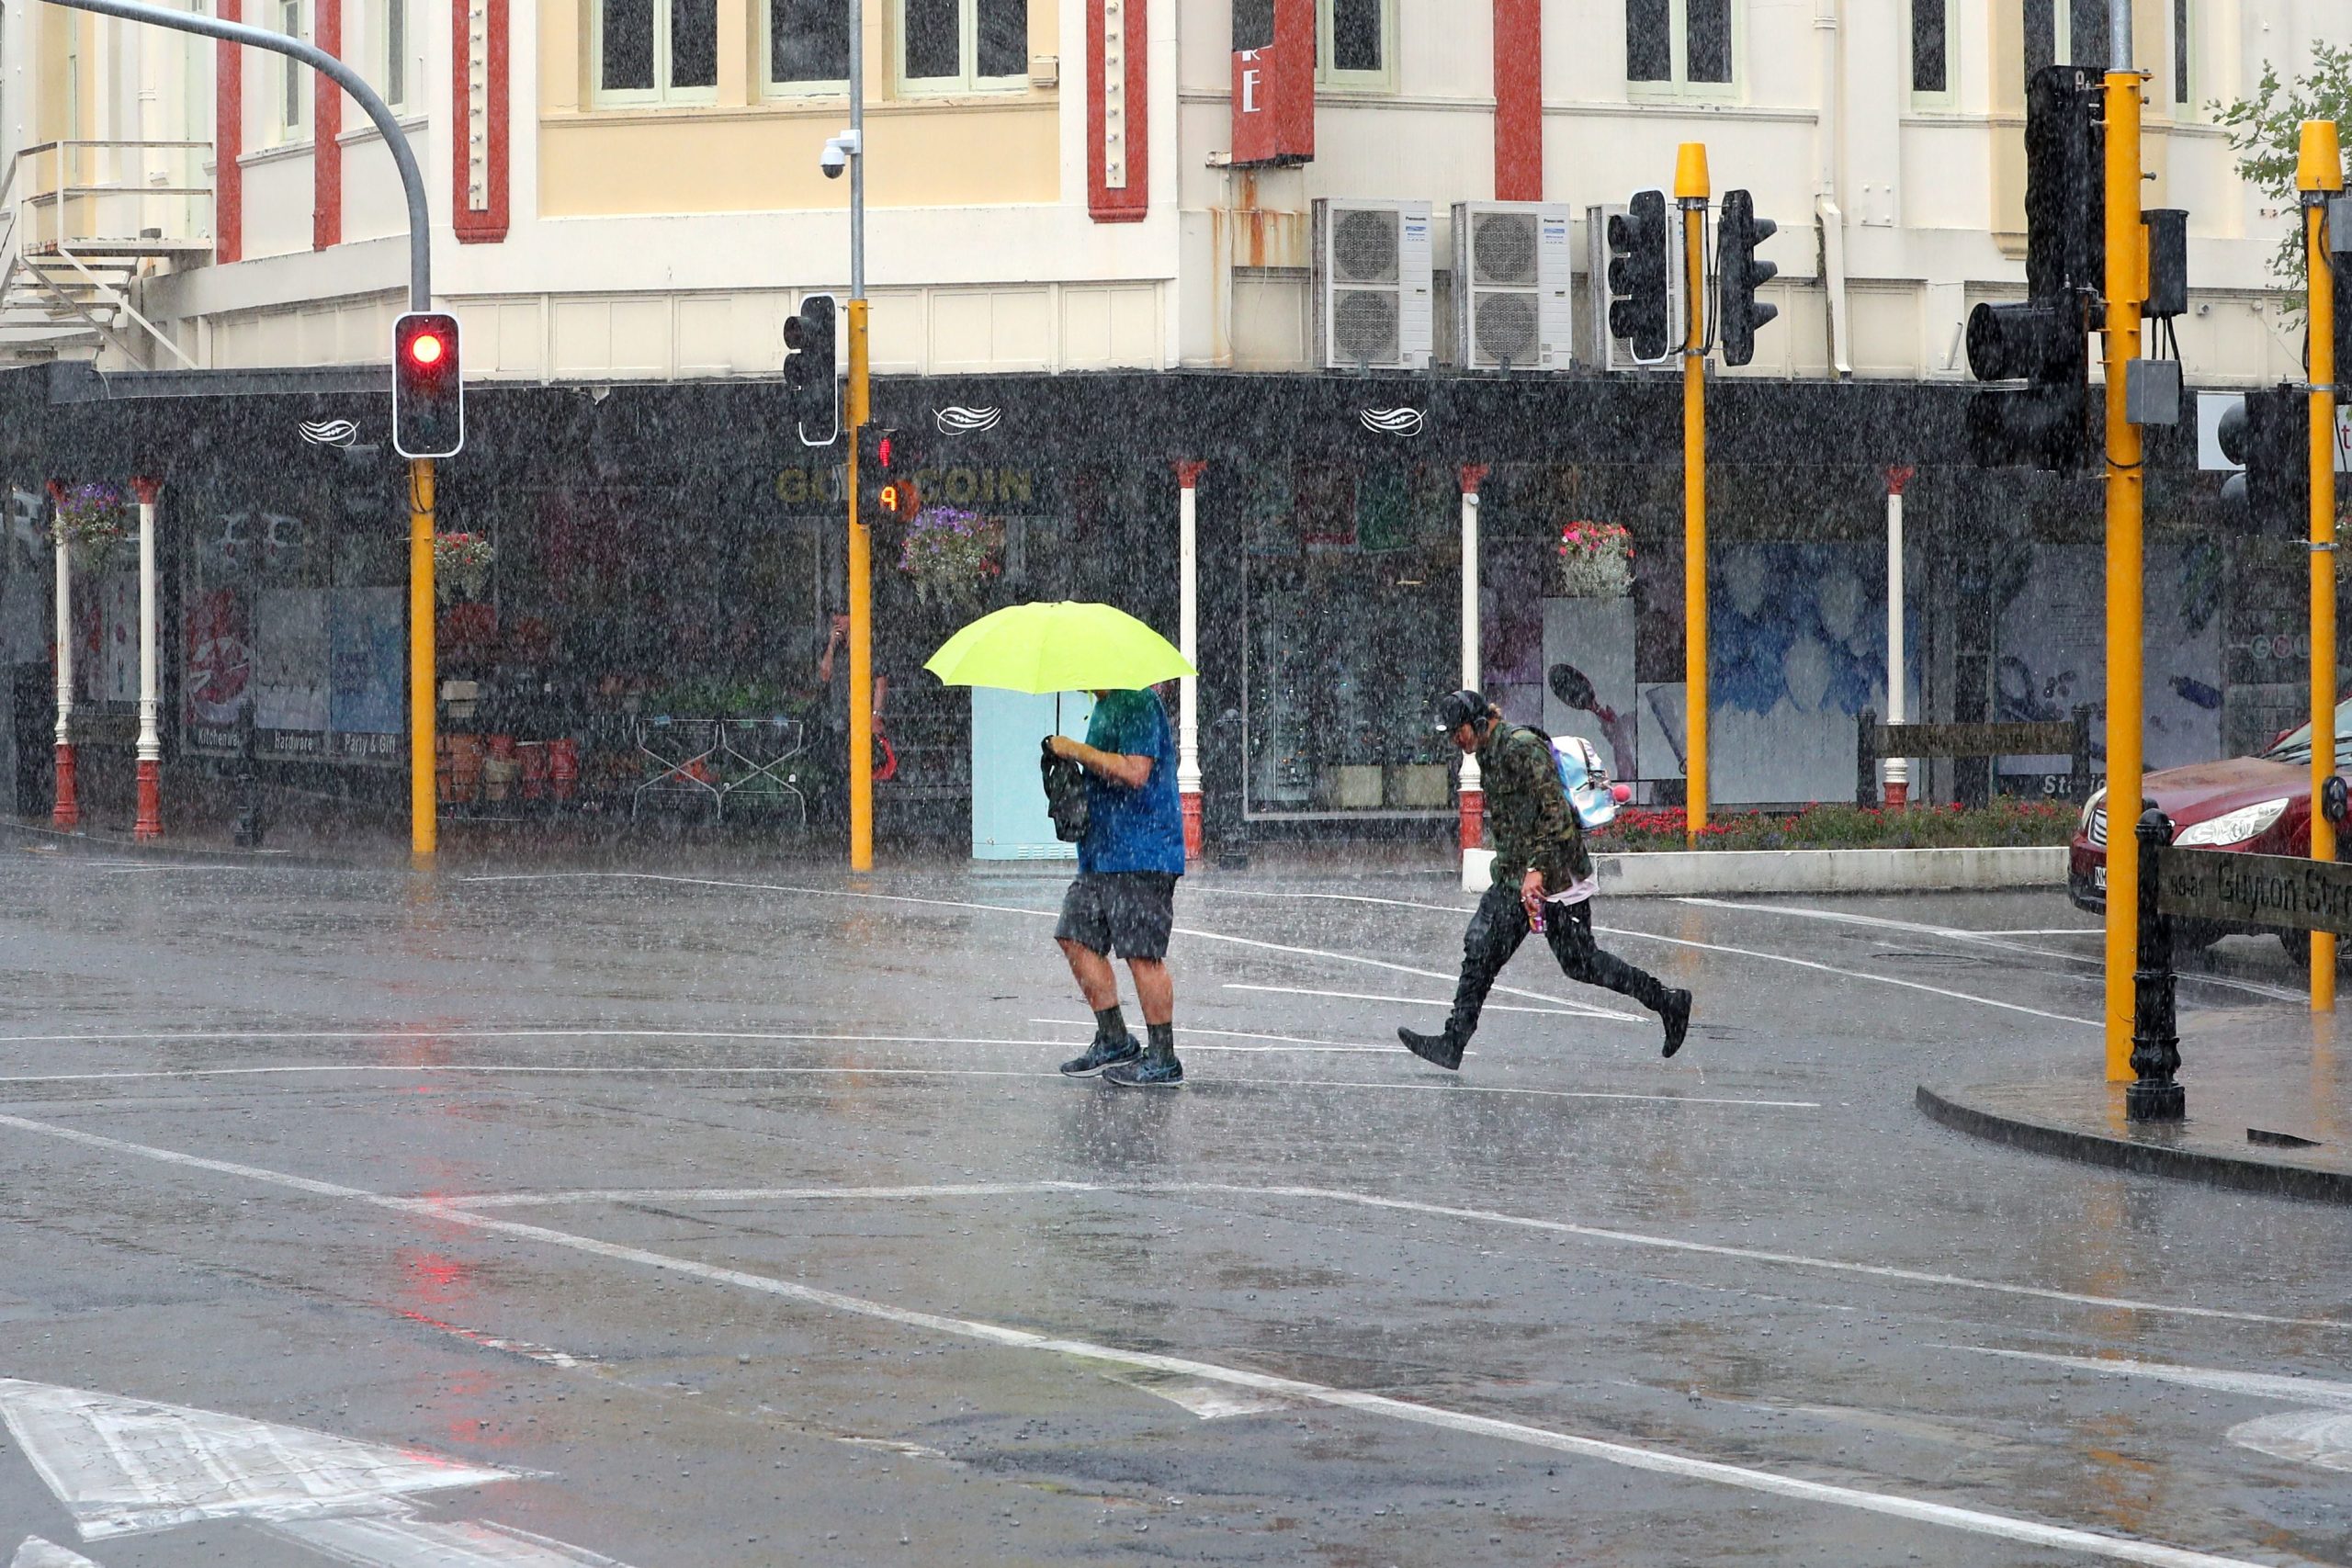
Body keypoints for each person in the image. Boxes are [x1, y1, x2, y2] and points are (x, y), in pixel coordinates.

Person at [1402, 688, 1691, 1069]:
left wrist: (1536, 868)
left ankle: (1667, 1002)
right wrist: (1516, 871)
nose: (1456, 740)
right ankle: (1452, 1042)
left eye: (1460, 732)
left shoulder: (1521, 748)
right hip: (1514, 877)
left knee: (1581, 963)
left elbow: (1555, 813)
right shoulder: (1488, 754)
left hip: (1555, 876)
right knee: (1480, 950)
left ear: (1477, 723)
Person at [1047, 685, 1186, 1088]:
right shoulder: (1104, 706)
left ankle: (1163, 1057)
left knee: (1142, 955)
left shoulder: (1137, 701)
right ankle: (1114, 1038)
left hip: (1142, 851)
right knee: (1074, 936)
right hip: (1100, 854)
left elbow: (1135, 771)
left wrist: (1076, 750)